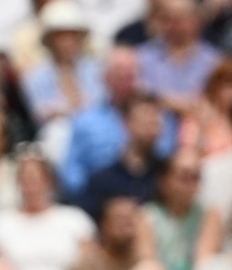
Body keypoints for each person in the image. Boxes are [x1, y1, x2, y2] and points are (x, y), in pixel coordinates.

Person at [59, 46, 175, 201]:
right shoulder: (85, 121)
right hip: (100, 198)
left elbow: (168, 158)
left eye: (130, 74)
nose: (125, 80)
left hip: (150, 194)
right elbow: (72, 173)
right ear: (104, 77)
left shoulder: (159, 115)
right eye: (118, 74)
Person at [0, 142, 96, 270]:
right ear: (17, 182)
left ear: (48, 181)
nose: (31, 185)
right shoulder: (0, 221)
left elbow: (91, 264)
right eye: (25, 178)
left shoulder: (74, 218)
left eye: (36, 178)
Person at [136, 149, 223, 270]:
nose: (190, 184)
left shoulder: (209, 215)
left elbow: (203, 265)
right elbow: (148, 265)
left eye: (195, 177)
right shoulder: (147, 216)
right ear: (164, 181)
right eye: (184, 177)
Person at [79, 94, 163, 221]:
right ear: (126, 123)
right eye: (145, 121)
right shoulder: (102, 180)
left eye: (155, 121)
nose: (152, 129)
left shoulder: (167, 175)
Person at [60, 197, 142, 270]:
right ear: (104, 224)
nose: (125, 226)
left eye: (130, 220)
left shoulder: (147, 269)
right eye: (119, 219)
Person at [178, 58, 232, 158]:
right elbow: (188, 152)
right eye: (228, 83)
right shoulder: (198, 112)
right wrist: (202, 125)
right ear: (215, 85)